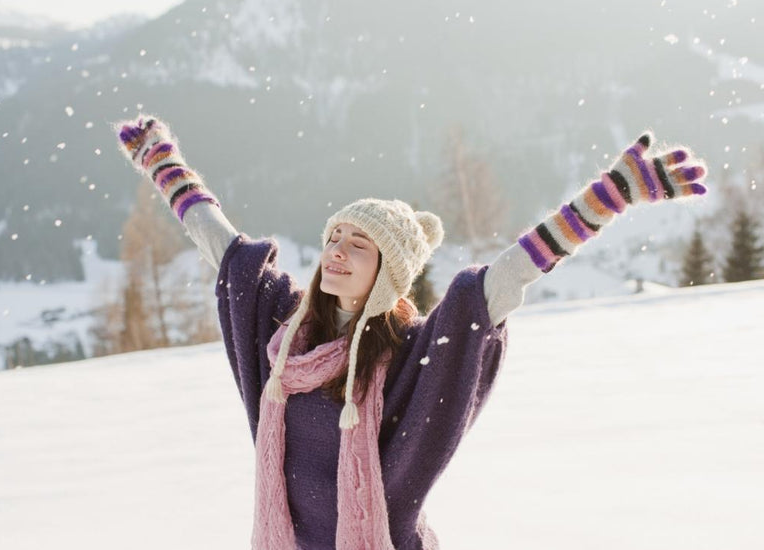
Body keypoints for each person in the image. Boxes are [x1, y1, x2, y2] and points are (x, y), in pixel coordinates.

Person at [116, 116, 708, 549]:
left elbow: (497, 285)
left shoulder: (408, 355)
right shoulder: (284, 335)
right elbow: (226, 252)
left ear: (387, 275)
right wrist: (164, 165)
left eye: (358, 245)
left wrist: (605, 201)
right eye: (333, 239)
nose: (337, 253)